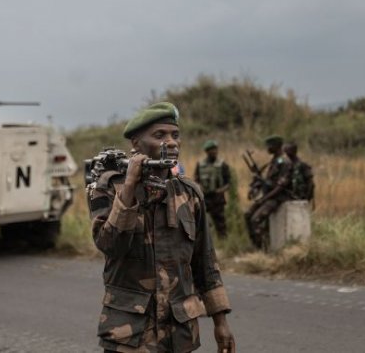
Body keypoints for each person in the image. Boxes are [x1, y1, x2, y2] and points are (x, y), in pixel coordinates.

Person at [87, 102, 235, 352]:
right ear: (136, 143)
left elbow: (205, 261)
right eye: (160, 135)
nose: (171, 142)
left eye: (175, 135)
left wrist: (221, 322)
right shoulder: (107, 187)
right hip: (130, 334)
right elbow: (110, 245)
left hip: (179, 333)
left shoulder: (189, 193)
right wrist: (131, 186)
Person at [244, 135, 292, 249]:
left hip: (277, 197)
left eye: (270, 146)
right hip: (268, 196)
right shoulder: (274, 160)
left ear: (277, 146)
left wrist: (263, 199)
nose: (268, 149)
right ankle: (255, 245)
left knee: (256, 219)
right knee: (247, 215)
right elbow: (266, 181)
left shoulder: (285, 162)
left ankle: (263, 249)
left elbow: (280, 187)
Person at [194, 140, 231, 238]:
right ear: (207, 152)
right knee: (202, 221)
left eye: (215, 149)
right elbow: (196, 179)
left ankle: (223, 242)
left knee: (220, 222)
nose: (215, 152)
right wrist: (199, 187)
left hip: (217, 198)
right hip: (204, 197)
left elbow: (229, 182)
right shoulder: (200, 164)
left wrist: (221, 190)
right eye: (212, 150)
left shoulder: (222, 164)